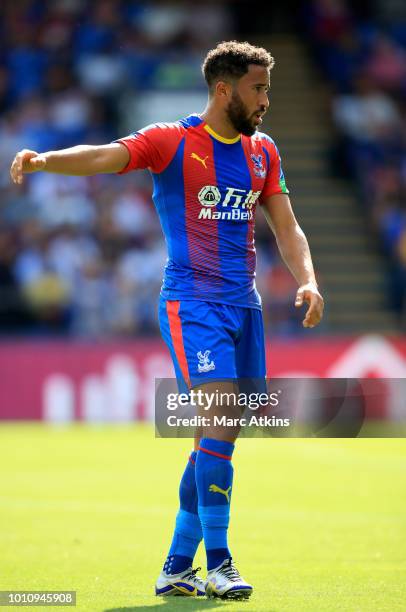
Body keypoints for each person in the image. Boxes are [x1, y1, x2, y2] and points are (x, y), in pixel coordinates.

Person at [10, 40, 324, 600]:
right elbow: (105, 155)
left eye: (269, 90)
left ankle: (178, 564)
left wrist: (307, 279)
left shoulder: (263, 152)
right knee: (221, 423)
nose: (266, 101)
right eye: (258, 89)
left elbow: (288, 226)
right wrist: (43, 159)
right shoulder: (172, 142)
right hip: (193, 304)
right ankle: (220, 562)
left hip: (244, 307)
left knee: (216, 434)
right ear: (224, 89)